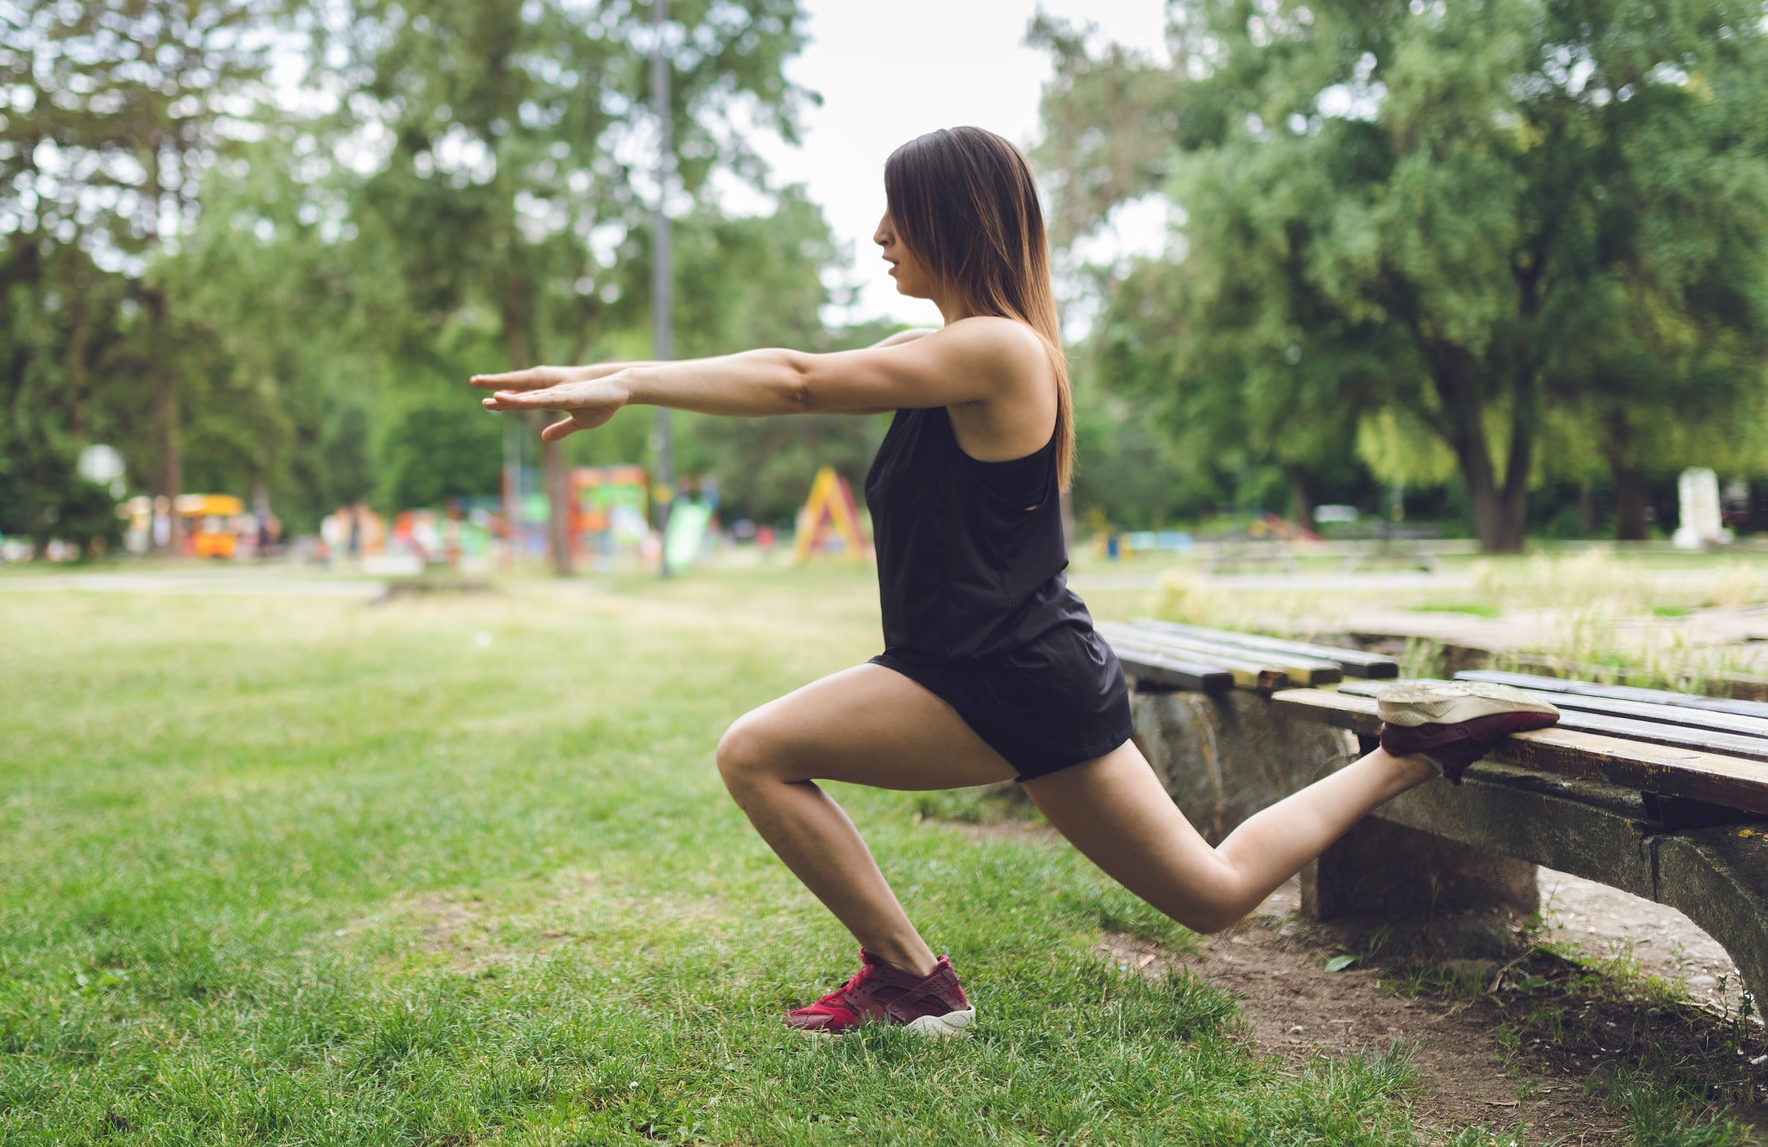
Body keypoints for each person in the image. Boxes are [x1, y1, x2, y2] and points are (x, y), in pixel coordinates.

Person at [471, 125, 1557, 1038]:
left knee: (756, 751)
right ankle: (1408, 747)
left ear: (955, 223)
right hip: (997, 666)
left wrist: (628, 380)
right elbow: (795, 368)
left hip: (1007, 673)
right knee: (1215, 894)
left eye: (900, 214)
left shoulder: (1001, 353)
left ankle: (910, 979)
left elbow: (798, 382)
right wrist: (621, 378)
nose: (881, 234)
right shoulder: (948, 348)